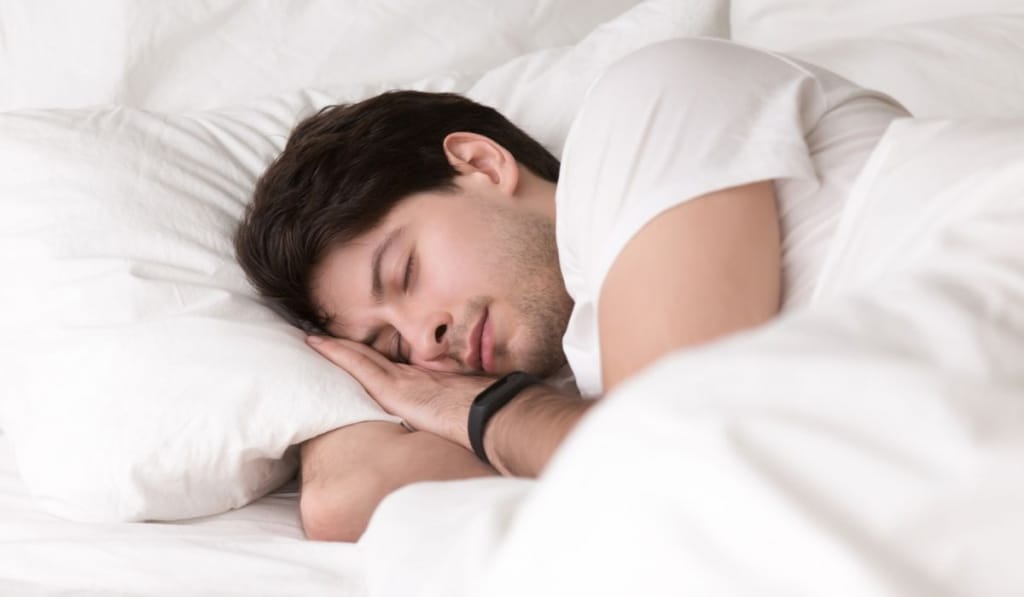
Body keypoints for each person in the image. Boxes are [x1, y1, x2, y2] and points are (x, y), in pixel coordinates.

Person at [233, 37, 910, 541]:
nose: (423, 340)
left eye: (404, 272)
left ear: (479, 163)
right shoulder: (577, 390)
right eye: (389, 345)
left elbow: (668, 446)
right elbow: (343, 500)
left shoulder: (649, 102)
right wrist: (360, 384)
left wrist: (493, 414)